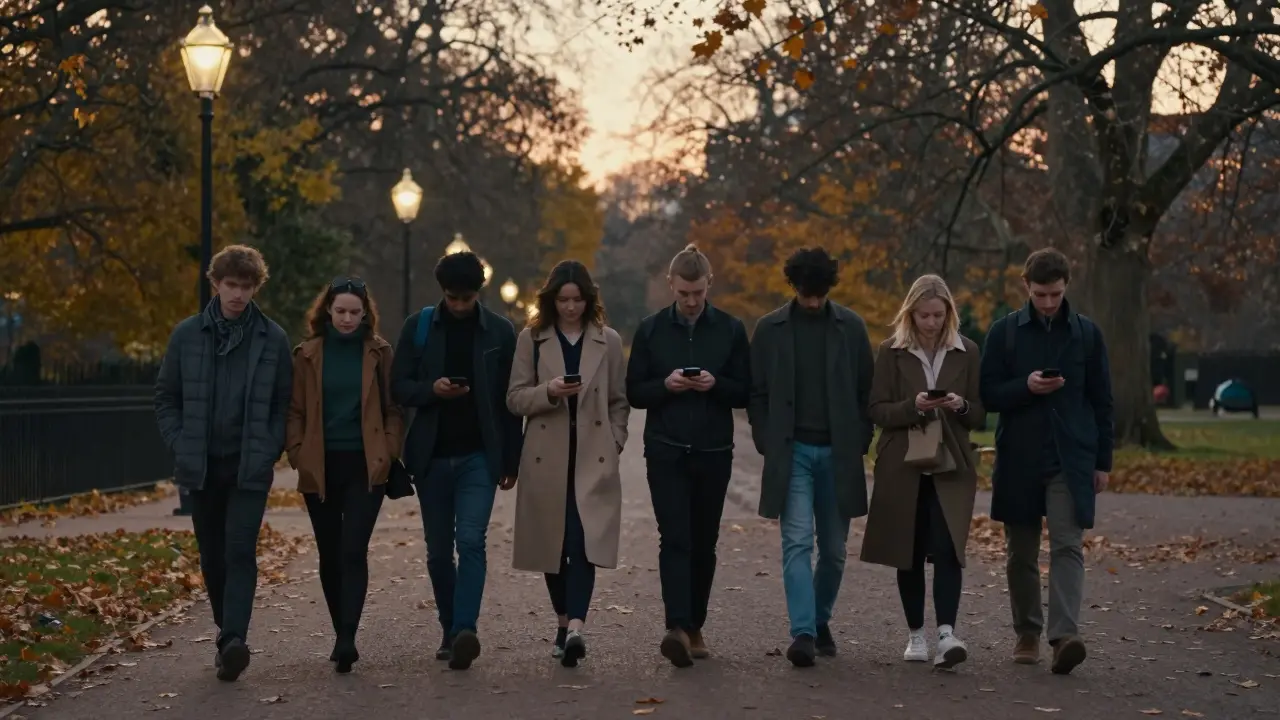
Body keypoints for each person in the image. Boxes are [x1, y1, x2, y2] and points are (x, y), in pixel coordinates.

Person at [154, 244, 292, 682]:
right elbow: (166, 397)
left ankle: (235, 638)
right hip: (201, 465)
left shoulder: (273, 338)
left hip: (249, 463)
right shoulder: (187, 335)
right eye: (230, 285)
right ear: (215, 284)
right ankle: (225, 633)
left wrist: (270, 446)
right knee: (212, 556)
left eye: (246, 287)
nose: (237, 294)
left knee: (239, 549)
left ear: (255, 288)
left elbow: (283, 405)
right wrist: (181, 441)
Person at [979, 247, 1113, 675]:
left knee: (1068, 544)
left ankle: (1065, 636)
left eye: (1055, 294)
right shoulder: (1004, 333)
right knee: (1020, 551)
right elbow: (987, 394)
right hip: (1019, 455)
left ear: (1066, 286)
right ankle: (1027, 632)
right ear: (1026, 287)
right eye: (1040, 295)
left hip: (1070, 457)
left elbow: (1102, 402)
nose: (1049, 302)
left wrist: (1102, 462)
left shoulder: (1087, 335)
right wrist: (1026, 386)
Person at [390, 250, 522, 671]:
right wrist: (434, 390)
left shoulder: (500, 332)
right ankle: (449, 629)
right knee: (436, 551)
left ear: (477, 294)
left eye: (466, 298)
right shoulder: (421, 327)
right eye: (452, 297)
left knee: (471, 540)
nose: (459, 305)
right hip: (431, 456)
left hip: (479, 456)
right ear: (442, 291)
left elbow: (509, 403)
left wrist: (510, 460)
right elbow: (399, 387)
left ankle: (466, 629)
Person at [747, 246, 874, 668]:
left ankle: (819, 620)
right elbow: (758, 392)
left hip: (838, 452)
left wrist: (861, 439)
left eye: (819, 294)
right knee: (797, 541)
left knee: (835, 550)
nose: (813, 302)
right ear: (794, 287)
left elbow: (864, 391)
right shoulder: (770, 329)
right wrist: (766, 437)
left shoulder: (851, 328)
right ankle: (802, 632)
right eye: (806, 294)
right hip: (793, 451)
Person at [625, 244, 750, 668]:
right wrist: (667, 385)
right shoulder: (651, 330)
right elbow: (635, 391)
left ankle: (696, 623)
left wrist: (716, 384)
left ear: (708, 286)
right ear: (671, 287)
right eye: (684, 294)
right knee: (674, 537)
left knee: (704, 541)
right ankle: (677, 626)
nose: (692, 302)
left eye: (698, 293)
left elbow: (746, 389)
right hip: (666, 448)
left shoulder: (731, 330)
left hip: (714, 449)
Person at [506, 261, 630, 667]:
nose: (571, 307)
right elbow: (515, 398)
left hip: (593, 455)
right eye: (564, 300)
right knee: (553, 545)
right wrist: (550, 391)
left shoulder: (607, 341)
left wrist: (615, 439)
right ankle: (563, 623)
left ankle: (576, 626)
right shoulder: (533, 339)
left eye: (578, 300)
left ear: (588, 300)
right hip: (547, 455)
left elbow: (618, 400)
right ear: (552, 300)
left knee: (583, 541)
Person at [862, 275, 985, 669]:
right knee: (908, 550)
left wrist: (959, 405)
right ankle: (916, 633)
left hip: (951, 462)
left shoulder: (967, 351)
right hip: (904, 462)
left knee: (950, 547)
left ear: (949, 312)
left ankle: (947, 634)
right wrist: (913, 406)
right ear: (910, 314)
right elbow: (877, 409)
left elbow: (980, 415)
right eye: (923, 315)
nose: (931, 323)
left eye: (938, 315)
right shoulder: (891, 351)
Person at [285, 277, 404, 673]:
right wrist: (298, 453)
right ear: (328, 312)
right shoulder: (306, 354)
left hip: (366, 465)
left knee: (353, 550)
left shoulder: (379, 352)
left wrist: (388, 451)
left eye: (356, 312)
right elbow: (295, 411)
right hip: (319, 464)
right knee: (329, 552)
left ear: (366, 313)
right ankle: (340, 632)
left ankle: (348, 637)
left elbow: (394, 408)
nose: (348, 319)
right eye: (341, 311)